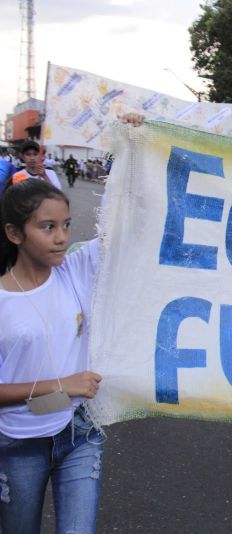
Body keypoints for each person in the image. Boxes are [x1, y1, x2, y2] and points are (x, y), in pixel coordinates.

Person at [0, 179, 104, 533]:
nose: (62, 237)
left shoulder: (72, 271)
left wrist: (131, 145)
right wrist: (61, 385)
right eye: (48, 227)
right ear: (14, 233)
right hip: (19, 441)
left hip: (80, 431)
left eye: (66, 225)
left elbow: (129, 221)